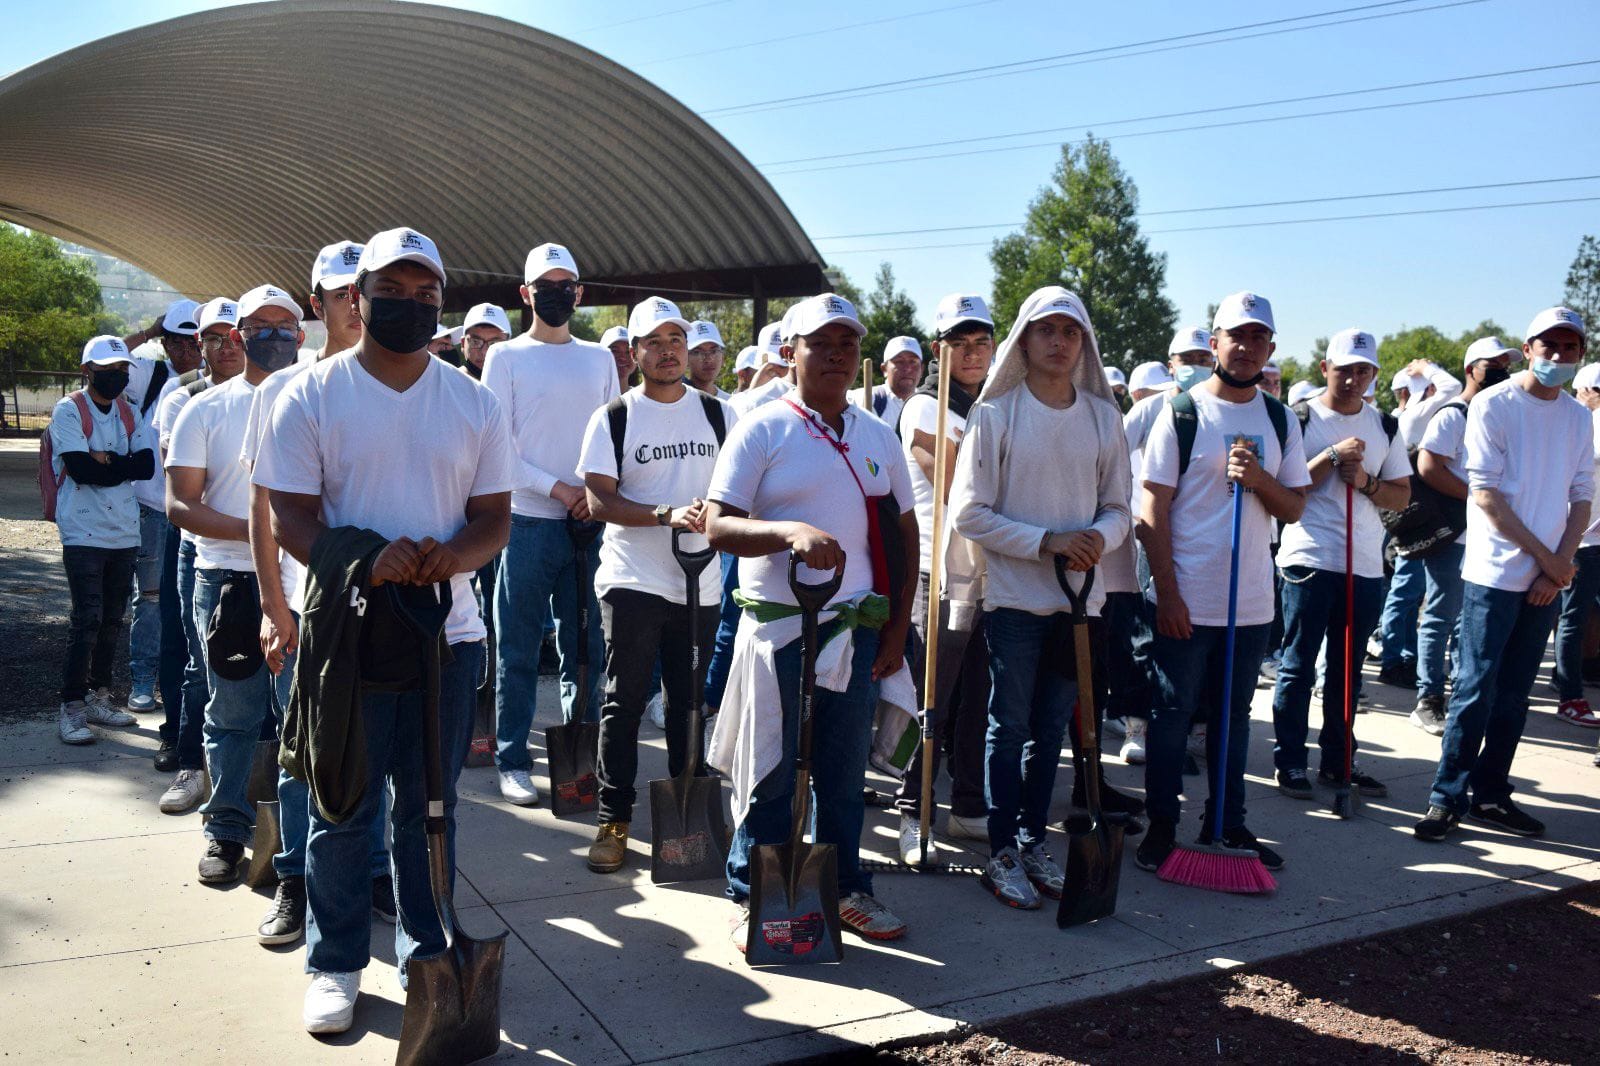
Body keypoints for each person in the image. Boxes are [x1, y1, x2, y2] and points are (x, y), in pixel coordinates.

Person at [253, 227, 515, 1034]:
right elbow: (288, 512)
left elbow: (494, 518)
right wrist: (365, 560)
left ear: (441, 302)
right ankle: (334, 962)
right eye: (391, 292)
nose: (408, 305)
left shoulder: (472, 400)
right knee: (342, 807)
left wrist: (448, 559)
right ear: (356, 297)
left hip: (447, 636)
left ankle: (425, 947)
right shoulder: (311, 394)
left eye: (424, 293)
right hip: (348, 639)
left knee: (430, 807)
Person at [706, 291, 917, 944]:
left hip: (853, 633)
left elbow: (904, 536)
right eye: (821, 344)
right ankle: (754, 894)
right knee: (771, 767)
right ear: (790, 352)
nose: (835, 355)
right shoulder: (763, 428)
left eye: (847, 344)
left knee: (842, 770)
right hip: (777, 632)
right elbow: (717, 524)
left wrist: (896, 628)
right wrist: (787, 531)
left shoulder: (879, 435)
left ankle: (846, 886)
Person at [949, 287, 1131, 909]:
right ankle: (1001, 848)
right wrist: (1047, 542)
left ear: (1084, 344)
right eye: (1045, 330)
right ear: (1023, 341)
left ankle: (1032, 841)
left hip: (1081, 601)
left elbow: (1119, 509)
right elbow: (968, 513)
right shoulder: (996, 416)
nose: (1058, 342)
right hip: (1015, 600)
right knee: (1010, 724)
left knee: (1053, 726)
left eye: (1070, 331)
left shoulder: (1105, 420)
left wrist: (1093, 541)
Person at [240, 242, 396, 941]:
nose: (354, 307)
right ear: (319, 305)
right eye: (340, 295)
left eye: (362, 292)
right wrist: (275, 608)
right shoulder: (284, 390)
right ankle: (299, 879)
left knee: (383, 750)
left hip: (388, 606)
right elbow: (262, 507)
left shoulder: (404, 381)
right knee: (306, 750)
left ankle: (375, 871)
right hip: (314, 609)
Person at [1135, 291, 1310, 874]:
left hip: (1252, 601)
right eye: (1236, 335)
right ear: (1214, 344)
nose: (1246, 346)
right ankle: (1162, 823)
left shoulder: (1281, 417)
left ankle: (1227, 821)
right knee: (1171, 716)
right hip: (1187, 597)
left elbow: (1294, 508)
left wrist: (1258, 477)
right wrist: (1168, 591)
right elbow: (1151, 510)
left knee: (1234, 721)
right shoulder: (1181, 412)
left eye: (1258, 337)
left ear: (1270, 348)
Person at [1414, 307, 1592, 841]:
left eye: (1570, 348)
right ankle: (1447, 796)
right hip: (1494, 575)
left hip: (1547, 577)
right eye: (1549, 346)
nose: (1558, 357)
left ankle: (1491, 793)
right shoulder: (1493, 404)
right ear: (1529, 345)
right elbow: (1486, 495)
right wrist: (1551, 561)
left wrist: (1557, 567)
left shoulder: (1577, 416)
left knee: (1515, 696)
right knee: (1474, 688)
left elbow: (1582, 495)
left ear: (1581, 353)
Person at [577, 296, 734, 872]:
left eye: (677, 340)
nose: (669, 351)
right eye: (655, 342)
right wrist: (665, 513)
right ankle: (612, 820)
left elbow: (741, 487)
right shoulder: (615, 416)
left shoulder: (719, 414)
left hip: (702, 579)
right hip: (633, 577)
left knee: (689, 701)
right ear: (635, 352)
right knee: (624, 700)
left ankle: (686, 816)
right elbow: (599, 500)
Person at [166, 283, 305, 884]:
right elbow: (180, 504)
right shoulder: (205, 408)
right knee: (232, 711)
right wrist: (259, 538)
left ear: (301, 336)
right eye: (260, 325)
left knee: (300, 717)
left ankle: (301, 847)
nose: (273, 335)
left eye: (285, 325)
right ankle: (226, 830)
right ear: (237, 335)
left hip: (301, 583)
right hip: (227, 579)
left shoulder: (314, 400)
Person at [483, 242, 619, 806]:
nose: (558, 293)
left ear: (580, 293)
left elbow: (615, 437)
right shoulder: (506, 358)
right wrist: (561, 488)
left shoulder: (600, 358)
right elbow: (495, 449)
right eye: (547, 285)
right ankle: (512, 758)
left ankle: (579, 759)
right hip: (528, 524)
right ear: (525, 294)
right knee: (516, 651)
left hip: (589, 527)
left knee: (585, 651)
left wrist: (594, 493)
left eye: (567, 285)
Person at [1270, 329, 1410, 800]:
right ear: (1325, 368)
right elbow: (1283, 488)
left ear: (1374, 375)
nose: (1353, 379)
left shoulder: (1387, 426)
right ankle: (1289, 762)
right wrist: (1330, 457)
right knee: (1297, 666)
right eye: (1344, 369)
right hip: (1309, 558)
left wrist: (1367, 481)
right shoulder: (1299, 418)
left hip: (1365, 565)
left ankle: (1337, 761)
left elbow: (1402, 495)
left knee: (1347, 671)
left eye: (1363, 370)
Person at [892, 292, 997, 859]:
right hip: (939, 572)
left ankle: (968, 805)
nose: (974, 353)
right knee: (932, 697)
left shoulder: (997, 404)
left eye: (982, 342)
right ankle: (913, 809)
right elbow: (961, 487)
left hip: (991, 573)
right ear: (941, 349)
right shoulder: (924, 408)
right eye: (961, 343)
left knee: (977, 698)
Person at [152, 299, 245, 809]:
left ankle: (249, 774)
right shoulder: (182, 397)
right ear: (199, 347)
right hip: (198, 551)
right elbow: (188, 484)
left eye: (233, 336)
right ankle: (191, 763)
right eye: (211, 338)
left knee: (254, 665)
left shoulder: (271, 392)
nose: (223, 346)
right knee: (200, 660)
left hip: (264, 555)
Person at [50, 336, 156, 744]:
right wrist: (116, 464)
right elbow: (80, 470)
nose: (116, 376)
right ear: (87, 370)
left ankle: (99, 696)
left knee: (112, 621)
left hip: (123, 532)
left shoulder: (128, 412)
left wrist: (105, 459)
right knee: (87, 620)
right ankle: (72, 705)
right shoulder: (69, 410)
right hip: (82, 531)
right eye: (107, 369)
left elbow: (146, 466)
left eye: (122, 369)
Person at [1408, 336, 1517, 734]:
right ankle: (1428, 698)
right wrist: (1477, 499)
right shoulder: (1455, 414)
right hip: (1453, 535)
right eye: (1494, 364)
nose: (1503, 370)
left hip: (1489, 538)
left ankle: (1460, 694)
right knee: (1439, 615)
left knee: (1465, 623)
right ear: (1472, 369)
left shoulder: (1501, 413)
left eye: (1507, 363)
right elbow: (1428, 466)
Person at [121, 300, 202, 714]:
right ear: (164, 342)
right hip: (153, 507)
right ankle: (142, 680)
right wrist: (148, 333)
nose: (185, 349)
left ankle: (190, 684)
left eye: (193, 340)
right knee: (151, 598)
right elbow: (104, 354)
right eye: (174, 340)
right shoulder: (151, 377)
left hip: (199, 513)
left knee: (191, 603)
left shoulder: (217, 380)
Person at [1377, 359, 1466, 690]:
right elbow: (1452, 387)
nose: (1433, 390)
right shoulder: (1413, 416)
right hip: (1418, 518)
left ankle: (1403, 657)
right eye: (1426, 387)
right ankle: (1395, 659)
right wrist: (1425, 367)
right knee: (1406, 590)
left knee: (1409, 593)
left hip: (1420, 515)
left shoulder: (1411, 414)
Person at [1549, 362, 1600, 728]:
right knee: (1572, 618)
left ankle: (1566, 680)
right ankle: (1569, 695)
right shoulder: (1581, 424)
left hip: (1588, 538)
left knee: (1574, 617)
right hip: (1577, 539)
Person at [852, 335, 923, 427]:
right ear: (884, 369)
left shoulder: (929, 405)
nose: (908, 368)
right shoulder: (864, 399)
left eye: (913, 362)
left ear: (922, 369)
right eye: (899, 362)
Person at [460, 302, 512, 380]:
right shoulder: (445, 385)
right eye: (476, 342)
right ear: (463, 344)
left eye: (494, 344)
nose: (484, 352)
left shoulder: (520, 385)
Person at [686, 319, 730, 398]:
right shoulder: (673, 400)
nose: (708, 359)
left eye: (714, 351)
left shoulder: (731, 403)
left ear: (723, 357)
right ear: (685, 359)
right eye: (698, 352)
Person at [602, 324, 635, 390]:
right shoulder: (591, 396)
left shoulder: (642, 399)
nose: (622, 357)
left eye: (628, 352)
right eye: (615, 351)